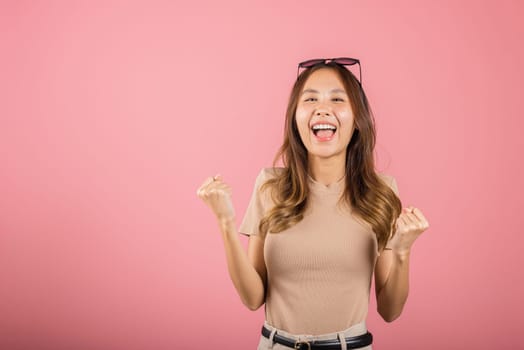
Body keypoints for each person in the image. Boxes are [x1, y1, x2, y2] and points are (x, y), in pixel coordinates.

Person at [197, 57, 430, 350]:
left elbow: (390, 310)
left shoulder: (382, 192)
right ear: (296, 117)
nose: (323, 108)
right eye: (310, 99)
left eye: (337, 98)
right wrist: (225, 223)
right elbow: (253, 298)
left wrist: (403, 251)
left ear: (357, 119)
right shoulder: (270, 187)